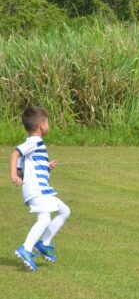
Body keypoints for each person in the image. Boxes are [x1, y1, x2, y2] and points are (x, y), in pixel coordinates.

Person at [10, 107, 71, 272]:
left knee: (64, 211)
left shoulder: (35, 143)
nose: (49, 125)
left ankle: (43, 243)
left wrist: (47, 165)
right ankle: (26, 249)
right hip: (35, 190)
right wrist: (14, 175)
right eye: (48, 122)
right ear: (42, 125)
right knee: (44, 219)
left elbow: (29, 161)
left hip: (42, 190)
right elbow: (16, 153)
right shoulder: (34, 141)